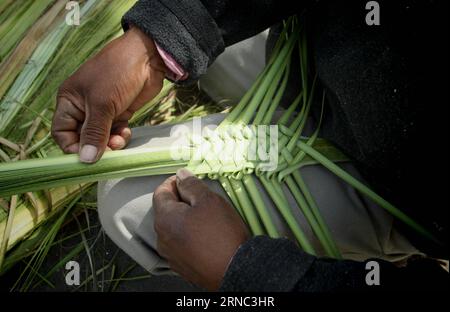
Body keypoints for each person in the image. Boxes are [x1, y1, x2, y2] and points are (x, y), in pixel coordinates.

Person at [51, 0, 448, 291]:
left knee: (127, 201)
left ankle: (378, 241)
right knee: (200, 57)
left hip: (396, 183)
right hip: (320, 55)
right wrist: (160, 38)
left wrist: (250, 273)